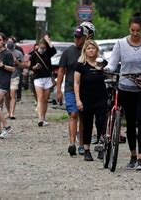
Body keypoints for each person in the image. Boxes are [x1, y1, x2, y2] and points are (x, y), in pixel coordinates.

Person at [105, 12, 141, 171]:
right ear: (129, 28)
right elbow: (113, 63)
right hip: (126, 86)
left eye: (138, 31)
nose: (135, 33)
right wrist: (106, 69)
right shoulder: (120, 44)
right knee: (130, 122)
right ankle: (132, 155)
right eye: (132, 30)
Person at [57, 26, 89, 156]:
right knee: (73, 114)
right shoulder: (67, 52)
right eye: (75, 37)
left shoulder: (88, 51)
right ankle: (72, 144)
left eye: (79, 37)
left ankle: (82, 144)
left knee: (84, 117)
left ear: (85, 38)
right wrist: (58, 89)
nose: (77, 39)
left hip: (85, 89)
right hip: (70, 88)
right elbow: (61, 72)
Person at [74, 40, 107, 161]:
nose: (91, 50)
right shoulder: (80, 65)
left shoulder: (102, 63)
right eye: (88, 48)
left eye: (93, 48)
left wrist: (103, 70)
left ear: (97, 50)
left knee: (101, 122)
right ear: (85, 51)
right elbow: (76, 83)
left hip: (101, 97)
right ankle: (86, 149)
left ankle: (101, 146)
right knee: (87, 125)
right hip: (86, 98)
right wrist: (78, 100)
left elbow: (109, 76)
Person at [29, 35, 56, 126]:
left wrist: (48, 41)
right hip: (38, 78)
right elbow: (30, 67)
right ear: (38, 46)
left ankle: (43, 117)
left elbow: (54, 50)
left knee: (45, 99)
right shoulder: (34, 54)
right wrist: (35, 67)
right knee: (40, 98)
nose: (42, 49)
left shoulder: (48, 53)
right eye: (41, 47)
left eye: (44, 48)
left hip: (47, 78)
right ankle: (40, 118)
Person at [4, 37, 25, 120]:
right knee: (6, 95)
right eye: (8, 41)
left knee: (13, 94)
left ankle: (12, 113)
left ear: (14, 43)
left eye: (11, 42)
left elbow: (23, 65)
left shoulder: (19, 53)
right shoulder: (4, 52)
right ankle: (8, 112)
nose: (9, 43)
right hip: (5, 76)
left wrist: (17, 62)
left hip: (15, 76)